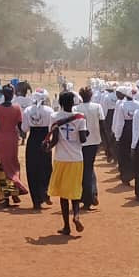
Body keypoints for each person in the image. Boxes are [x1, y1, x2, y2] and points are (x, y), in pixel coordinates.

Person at [47, 91, 88, 235]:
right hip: (76, 158)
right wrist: (86, 133)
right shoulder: (80, 118)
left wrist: (47, 148)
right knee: (75, 190)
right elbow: (83, 139)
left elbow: (55, 140)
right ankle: (76, 216)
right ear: (73, 102)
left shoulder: (54, 117)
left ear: (60, 103)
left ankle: (66, 226)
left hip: (61, 158)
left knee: (63, 194)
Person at [0, 85, 28, 207]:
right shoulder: (17, 108)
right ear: (12, 94)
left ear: (3, 94)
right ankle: (15, 191)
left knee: (1, 167)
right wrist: (23, 135)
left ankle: (5, 197)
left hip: (1, 139)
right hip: (12, 139)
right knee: (13, 164)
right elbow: (20, 126)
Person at [75, 86, 105, 209]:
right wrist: (106, 144)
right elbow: (102, 125)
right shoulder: (97, 107)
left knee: (84, 169)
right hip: (94, 142)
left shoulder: (75, 108)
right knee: (89, 167)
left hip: (80, 143)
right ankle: (92, 194)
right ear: (91, 96)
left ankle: (88, 197)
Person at [23, 90, 55, 210]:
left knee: (32, 170)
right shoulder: (49, 111)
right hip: (45, 141)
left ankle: (36, 201)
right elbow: (52, 127)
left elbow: (24, 128)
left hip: (32, 142)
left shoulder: (27, 110)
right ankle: (45, 190)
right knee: (46, 168)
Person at [114, 87, 139, 185]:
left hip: (126, 129)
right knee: (134, 152)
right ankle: (134, 173)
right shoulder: (138, 105)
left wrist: (117, 136)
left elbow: (120, 122)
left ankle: (126, 176)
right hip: (136, 128)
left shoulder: (122, 105)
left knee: (124, 153)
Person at [100, 83, 118, 163]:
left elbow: (104, 109)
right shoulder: (118, 96)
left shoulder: (106, 97)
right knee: (115, 136)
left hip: (109, 116)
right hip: (116, 115)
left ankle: (110, 154)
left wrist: (103, 120)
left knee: (108, 136)